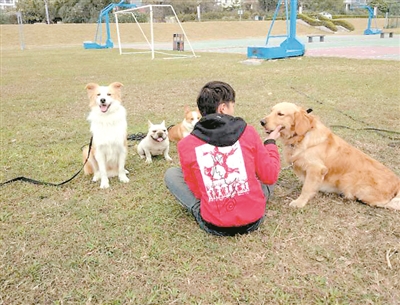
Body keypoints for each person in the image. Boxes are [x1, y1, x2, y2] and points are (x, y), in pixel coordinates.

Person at [164, 81, 282, 236]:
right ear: (223, 108)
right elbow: (270, 176)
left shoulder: (186, 144)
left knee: (172, 174)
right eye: (232, 106)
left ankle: (201, 209)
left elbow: (197, 190)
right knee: (266, 170)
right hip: (254, 219)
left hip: (214, 223)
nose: (233, 110)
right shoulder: (248, 132)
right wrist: (270, 143)